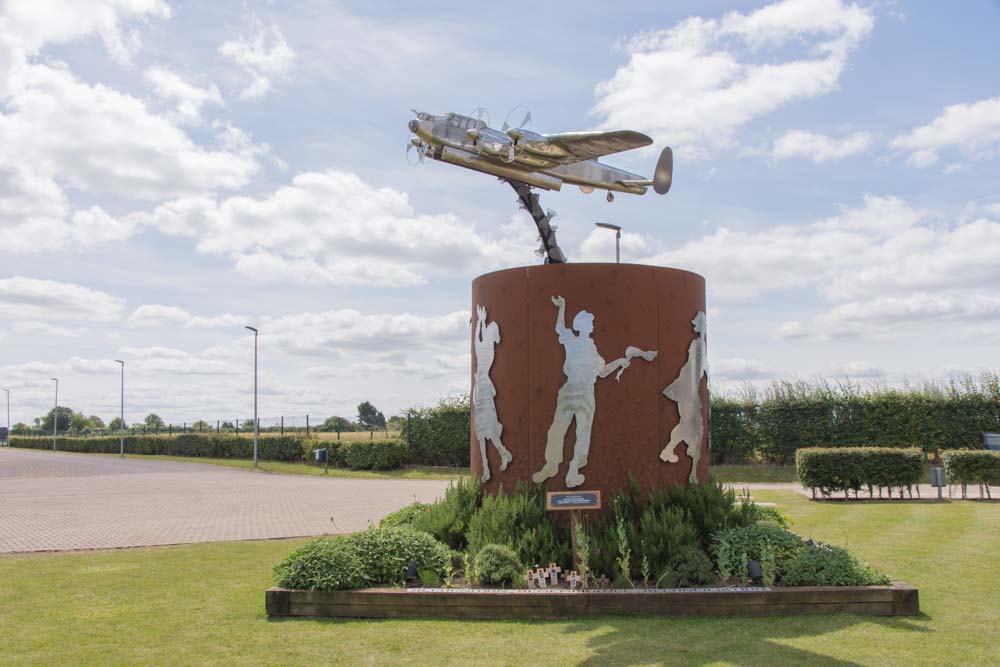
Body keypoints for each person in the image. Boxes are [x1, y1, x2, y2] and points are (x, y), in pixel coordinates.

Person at [533, 296, 656, 488]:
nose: (592, 325)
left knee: (582, 433)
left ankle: (574, 470)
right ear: (582, 325)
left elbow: (603, 371)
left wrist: (619, 362)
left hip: (586, 395)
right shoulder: (572, 342)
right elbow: (560, 328)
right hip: (569, 391)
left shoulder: (594, 351)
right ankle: (551, 465)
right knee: (557, 429)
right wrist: (562, 307)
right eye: (590, 322)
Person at [660, 311, 708, 483]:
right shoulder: (697, 345)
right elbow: (697, 364)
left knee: (694, 428)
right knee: (691, 425)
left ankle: (689, 469)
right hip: (687, 390)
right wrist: (702, 331)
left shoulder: (698, 346)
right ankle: (672, 454)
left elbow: (701, 366)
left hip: (690, 390)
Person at [473, 305, 511, 481]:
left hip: (485, 386)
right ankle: (486, 468)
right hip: (481, 386)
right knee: (481, 432)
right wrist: (480, 320)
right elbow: (476, 338)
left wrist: (482, 321)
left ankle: (503, 454)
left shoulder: (488, 345)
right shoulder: (481, 345)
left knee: (489, 430)